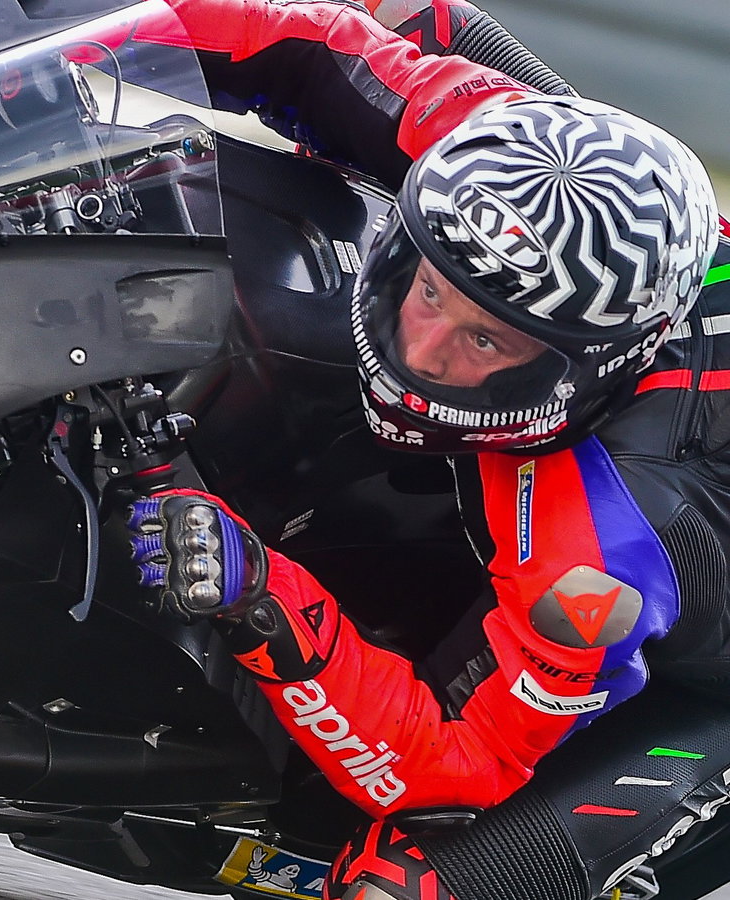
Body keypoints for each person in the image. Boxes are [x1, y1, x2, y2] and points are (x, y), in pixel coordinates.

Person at [131, 1, 728, 898]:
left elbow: (452, 762)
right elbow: (313, 45)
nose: (423, 353)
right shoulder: (518, 171)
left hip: (700, 690)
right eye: (431, 290)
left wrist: (263, 596)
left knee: (402, 887)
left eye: (486, 341)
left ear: (583, 371)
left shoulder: (600, 552)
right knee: (419, 19)